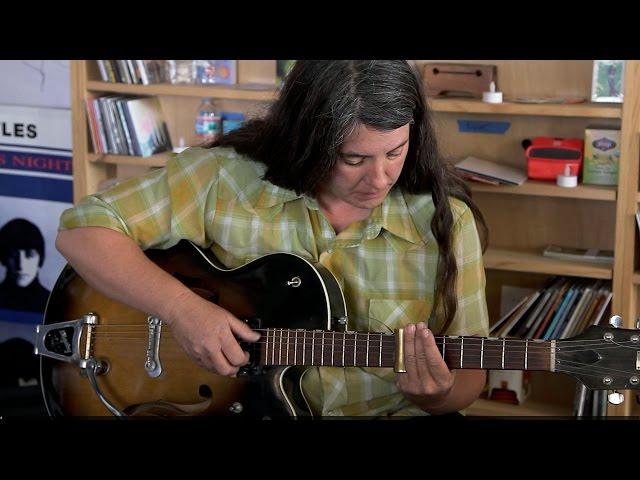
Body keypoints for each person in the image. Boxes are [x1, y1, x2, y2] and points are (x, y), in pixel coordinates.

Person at [56, 60, 489, 417]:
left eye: (395, 152)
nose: (379, 179)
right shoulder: (220, 179)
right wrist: (181, 309)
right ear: (308, 140)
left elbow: (470, 374)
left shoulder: (447, 224)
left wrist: (434, 395)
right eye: (353, 159)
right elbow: (81, 232)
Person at [0, 218, 51, 313]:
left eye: (29, 255)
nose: (21, 266)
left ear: (40, 258)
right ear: (3, 258)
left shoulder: (53, 304)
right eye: (13, 255)